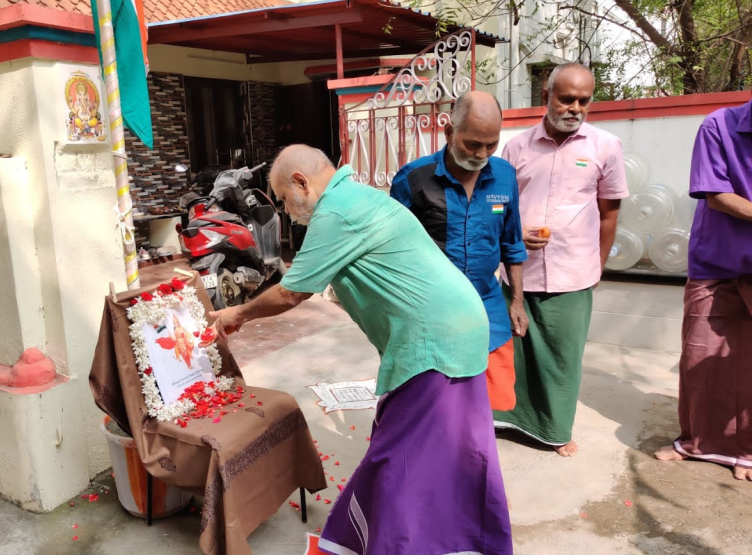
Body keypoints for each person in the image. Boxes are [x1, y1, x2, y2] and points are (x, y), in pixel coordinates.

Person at [207, 145, 513, 554]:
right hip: (459, 329)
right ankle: (462, 541)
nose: (286, 210)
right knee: (453, 452)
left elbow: (291, 293)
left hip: (435, 341)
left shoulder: (335, 211)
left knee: (400, 458)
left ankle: (396, 544)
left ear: (301, 182)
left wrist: (237, 315)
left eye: (283, 199)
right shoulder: (357, 195)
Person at [496, 63, 628, 457]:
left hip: (574, 270)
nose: (574, 108)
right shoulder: (516, 147)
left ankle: (555, 430)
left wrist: (597, 267)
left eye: (583, 101)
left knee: (562, 355)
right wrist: (514, 236)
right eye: (566, 98)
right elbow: (500, 207)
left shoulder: (605, 146)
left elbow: (609, 214)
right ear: (546, 98)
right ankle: (511, 421)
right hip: (520, 270)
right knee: (516, 351)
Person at [390, 91, 528, 411]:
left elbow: (512, 242)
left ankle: (474, 453)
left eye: (491, 145)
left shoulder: (505, 176)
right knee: (433, 403)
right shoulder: (413, 179)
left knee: (494, 399)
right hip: (429, 311)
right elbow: (390, 251)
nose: (482, 153)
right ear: (449, 132)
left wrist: (518, 301)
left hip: (486, 307)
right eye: (472, 144)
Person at [654, 97, 752, 481]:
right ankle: (698, 442)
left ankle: (745, 450)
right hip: (716, 262)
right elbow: (716, 194)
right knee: (700, 358)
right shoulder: (719, 125)